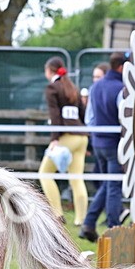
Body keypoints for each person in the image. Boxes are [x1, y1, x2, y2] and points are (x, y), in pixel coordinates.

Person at [78, 51, 126, 242]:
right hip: (114, 142)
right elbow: (125, 118)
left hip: (98, 142)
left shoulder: (95, 87)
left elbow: (89, 117)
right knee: (114, 185)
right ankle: (113, 229)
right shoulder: (122, 89)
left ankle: (89, 223)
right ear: (122, 67)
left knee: (107, 183)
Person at [38, 57, 88, 225]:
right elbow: (83, 113)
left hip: (67, 136)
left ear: (48, 71)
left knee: (44, 173)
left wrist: (54, 139)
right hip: (82, 136)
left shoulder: (52, 88)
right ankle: (80, 219)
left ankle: (57, 214)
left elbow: (55, 115)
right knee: (76, 178)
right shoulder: (72, 87)